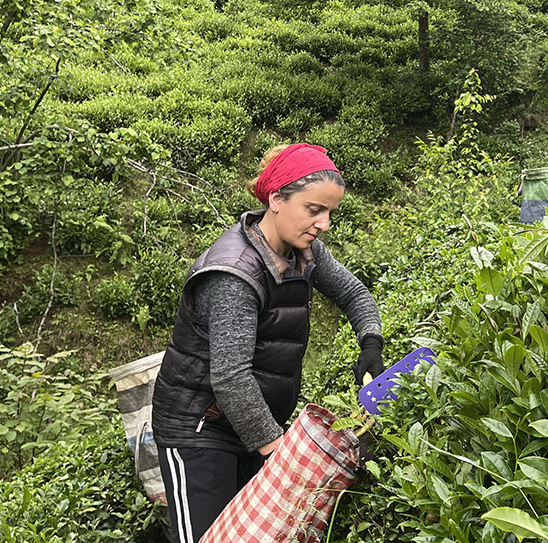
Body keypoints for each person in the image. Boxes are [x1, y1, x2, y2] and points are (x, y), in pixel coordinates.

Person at [150, 143, 386, 543]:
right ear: (276, 198)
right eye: (315, 210)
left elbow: (353, 293)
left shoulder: (306, 250)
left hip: (253, 423)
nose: (324, 223)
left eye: (330, 212)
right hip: (198, 428)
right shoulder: (234, 275)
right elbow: (231, 378)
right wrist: (277, 451)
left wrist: (371, 342)